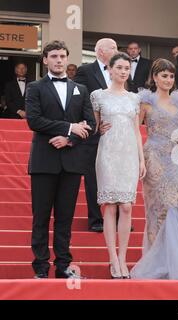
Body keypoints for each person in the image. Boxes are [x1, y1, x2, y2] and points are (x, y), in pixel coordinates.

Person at [130, 59, 178, 279]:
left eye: (171, 76)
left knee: (173, 207)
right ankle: (156, 264)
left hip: (175, 160)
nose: (168, 80)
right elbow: (135, 131)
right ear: (154, 77)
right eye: (163, 75)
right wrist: (140, 160)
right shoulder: (145, 101)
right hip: (153, 156)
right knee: (155, 210)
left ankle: (172, 262)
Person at [26, 40, 95, 279]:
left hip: (72, 161)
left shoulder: (81, 89)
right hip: (44, 161)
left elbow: (91, 125)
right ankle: (41, 268)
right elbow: (34, 121)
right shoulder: (35, 87)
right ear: (45, 60)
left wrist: (69, 139)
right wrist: (69, 127)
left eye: (62, 56)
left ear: (67, 59)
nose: (58, 60)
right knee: (41, 217)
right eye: (53, 56)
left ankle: (64, 266)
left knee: (65, 218)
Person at [91, 52, 146, 279]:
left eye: (127, 68)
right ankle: (113, 259)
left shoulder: (134, 98)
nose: (123, 72)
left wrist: (141, 159)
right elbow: (95, 128)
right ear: (110, 70)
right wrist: (97, 130)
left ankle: (123, 258)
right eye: (119, 68)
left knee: (126, 206)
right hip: (107, 153)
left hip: (129, 154)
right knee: (111, 206)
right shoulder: (98, 96)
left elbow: (136, 129)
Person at [74, 38, 118, 233]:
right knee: (93, 178)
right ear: (100, 51)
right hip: (94, 135)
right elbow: (80, 100)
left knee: (115, 177)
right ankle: (95, 218)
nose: (117, 50)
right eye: (113, 48)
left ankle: (117, 218)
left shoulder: (120, 71)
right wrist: (93, 124)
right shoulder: (85, 71)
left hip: (117, 135)